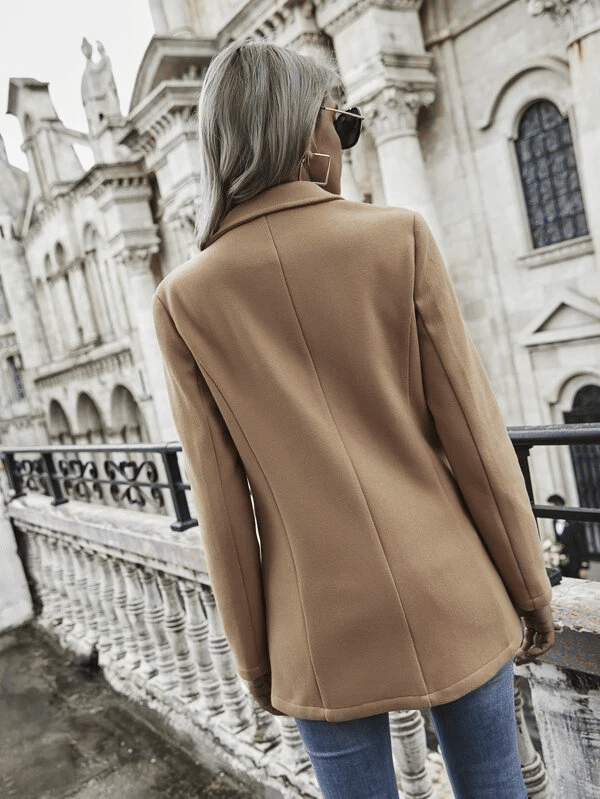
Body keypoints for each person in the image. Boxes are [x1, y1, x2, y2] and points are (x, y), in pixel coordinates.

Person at [153, 39, 554, 799]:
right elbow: (476, 440)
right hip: (454, 591)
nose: (345, 143)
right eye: (344, 124)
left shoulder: (184, 301)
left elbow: (223, 510)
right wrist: (530, 588)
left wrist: (256, 656)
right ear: (308, 131)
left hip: (314, 628)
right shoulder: (397, 237)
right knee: (496, 786)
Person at [547, 494, 589, 579]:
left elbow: (582, 544)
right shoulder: (554, 522)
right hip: (563, 565)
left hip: (576, 563)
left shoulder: (574, 522)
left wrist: (583, 566)